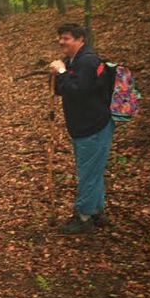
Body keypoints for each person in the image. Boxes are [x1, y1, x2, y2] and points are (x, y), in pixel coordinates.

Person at [50, 23, 114, 234]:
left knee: (88, 172)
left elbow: (78, 90)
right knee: (91, 171)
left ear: (80, 40)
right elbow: (63, 89)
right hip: (83, 126)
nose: (61, 41)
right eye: (60, 37)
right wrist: (58, 74)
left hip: (93, 126)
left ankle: (83, 216)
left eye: (66, 38)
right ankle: (96, 212)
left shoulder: (87, 61)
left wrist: (61, 72)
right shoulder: (72, 61)